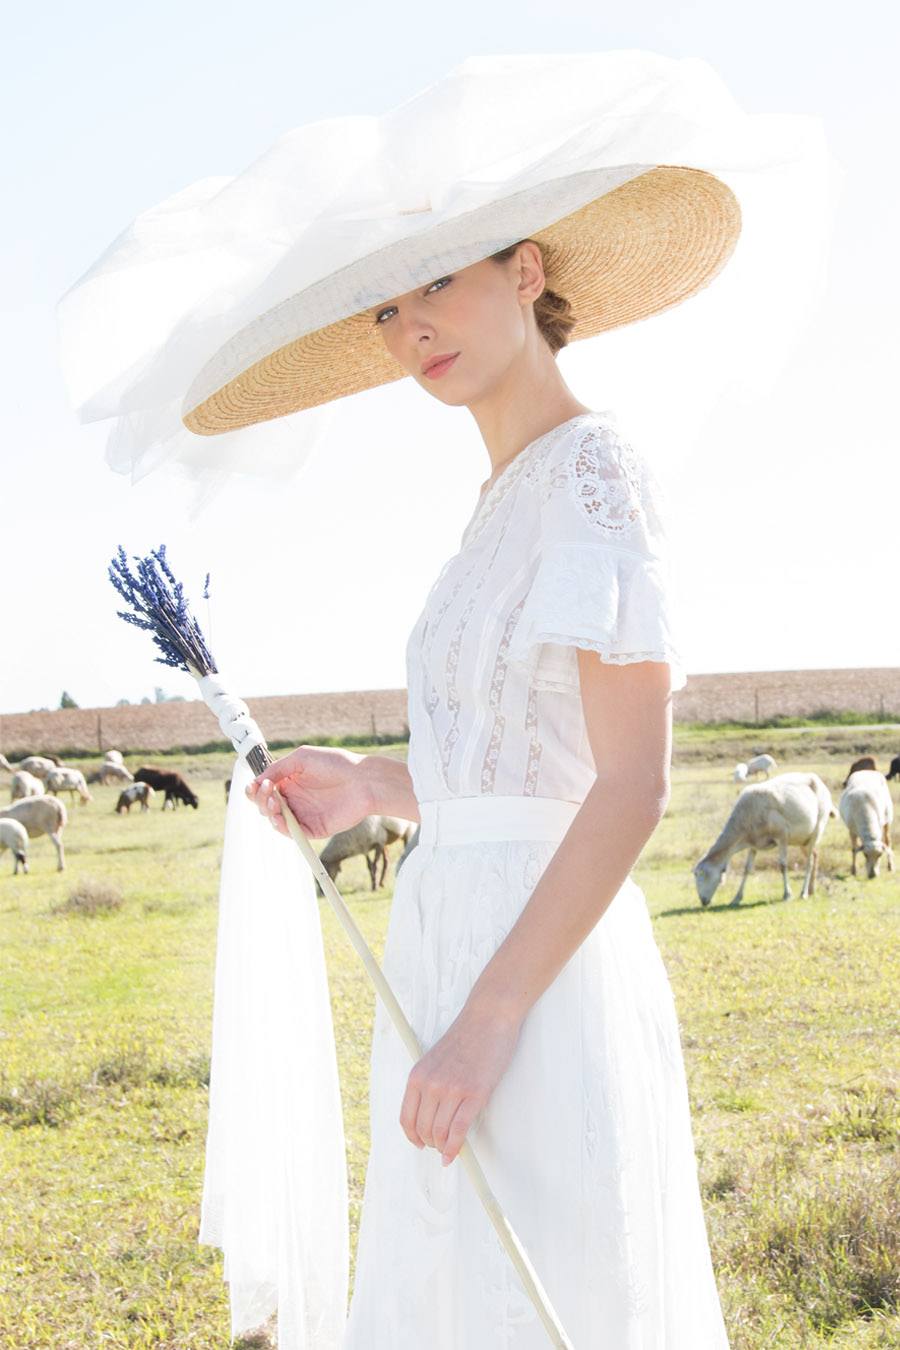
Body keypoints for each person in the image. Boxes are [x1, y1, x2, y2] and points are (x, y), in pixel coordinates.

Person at [245, 237, 730, 1346]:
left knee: (549, 1283)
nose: (410, 327)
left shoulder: (592, 469)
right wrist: (371, 782)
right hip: (441, 946)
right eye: (386, 309)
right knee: (453, 1286)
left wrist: (493, 1018)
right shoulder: (499, 502)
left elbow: (630, 784)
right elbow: (516, 768)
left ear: (526, 273)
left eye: (436, 287)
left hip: (535, 978)